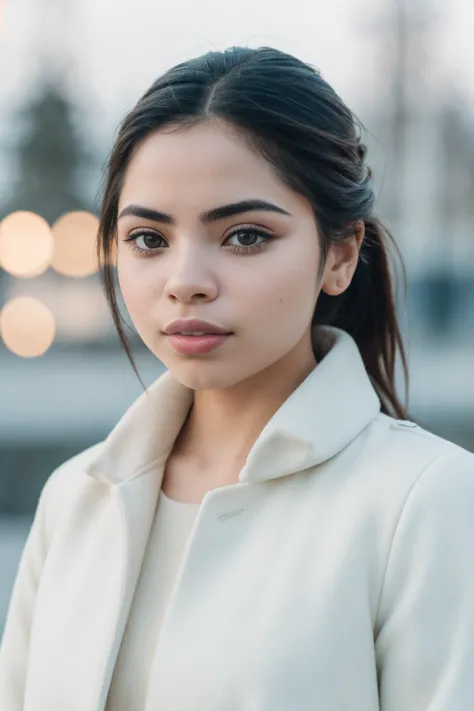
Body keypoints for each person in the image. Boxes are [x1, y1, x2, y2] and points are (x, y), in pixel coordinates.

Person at [1, 45, 474, 711]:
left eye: (245, 236)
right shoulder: (76, 499)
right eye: (148, 239)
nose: (185, 282)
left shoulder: (426, 503)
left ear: (339, 255)